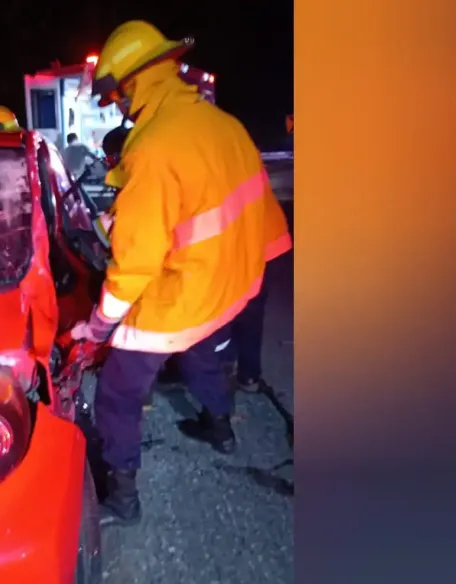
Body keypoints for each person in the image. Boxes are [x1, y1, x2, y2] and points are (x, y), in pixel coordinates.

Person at [71, 20, 275, 526]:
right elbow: (239, 206)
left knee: (118, 390)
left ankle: (121, 497)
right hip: (228, 282)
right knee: (207, 354)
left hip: (182, 291)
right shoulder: (223, 124)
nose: (115, 105)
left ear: (133, 83)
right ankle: (220, 427)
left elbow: (136, 263)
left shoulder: (152, 146)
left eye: (116, 94)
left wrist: (99, 326)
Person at [226, 185, 292, 392]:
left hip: (243, 241)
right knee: (251, 310)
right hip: (265, 235)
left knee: (228, 309)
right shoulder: (239, 152)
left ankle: (224, 373)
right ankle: (249, 376)